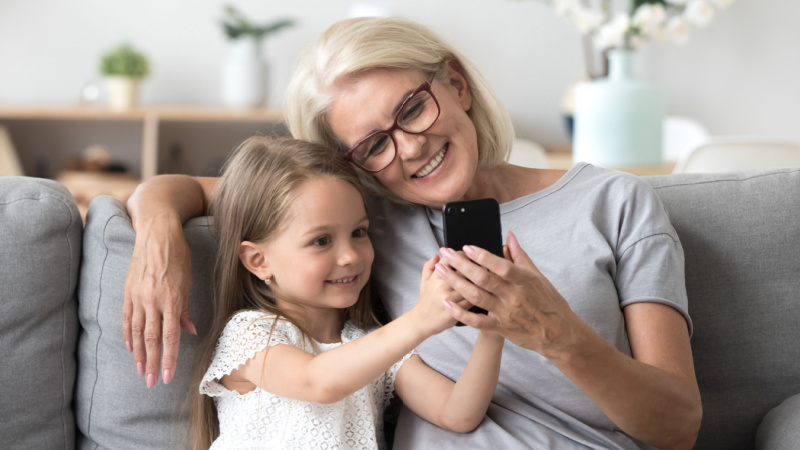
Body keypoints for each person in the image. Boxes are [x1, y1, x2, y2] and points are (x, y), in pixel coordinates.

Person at [124, 16, 702, 450]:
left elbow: (678, 426)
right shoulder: (358, 216)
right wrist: (156, 235)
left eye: (413, 109)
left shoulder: (614, 203)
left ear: (456, 84)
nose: (410, 147)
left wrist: (550, 333)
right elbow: (188, 190)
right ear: (349, 166)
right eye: (373, 144)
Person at [189, 136, 503, 449]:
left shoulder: (370, 344)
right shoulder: (249, 334)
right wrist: (420, 319)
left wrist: (494, 327)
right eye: (321, 240)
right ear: (259, 261)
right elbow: (318, 382)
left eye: (358, 233)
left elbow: (457, 413)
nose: (350, 256)